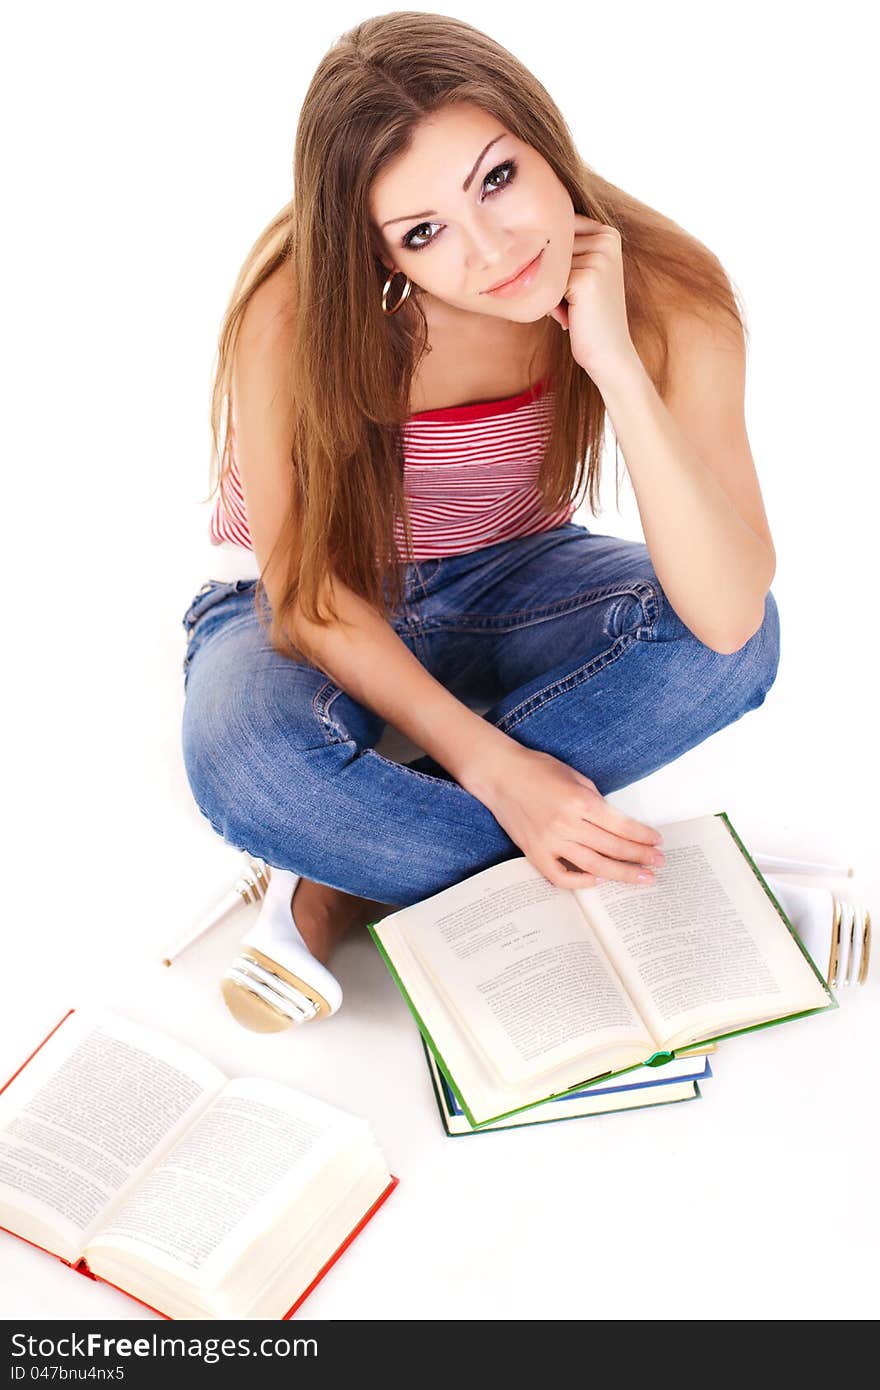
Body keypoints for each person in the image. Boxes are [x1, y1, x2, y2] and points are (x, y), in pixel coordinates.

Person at [179, 12, 780, 1033]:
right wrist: (497, 769)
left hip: (517, 579)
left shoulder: (670, 294)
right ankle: (460, 833)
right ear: (373, 250)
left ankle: (336, 882)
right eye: (422, 233)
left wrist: (616, 366)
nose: (490, 249)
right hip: (317, 608)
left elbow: (726, 618)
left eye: (496, 179)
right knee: (253, 767)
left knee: (738, 646)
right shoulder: (292, 313)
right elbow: (309, 594)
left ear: (543, 139)